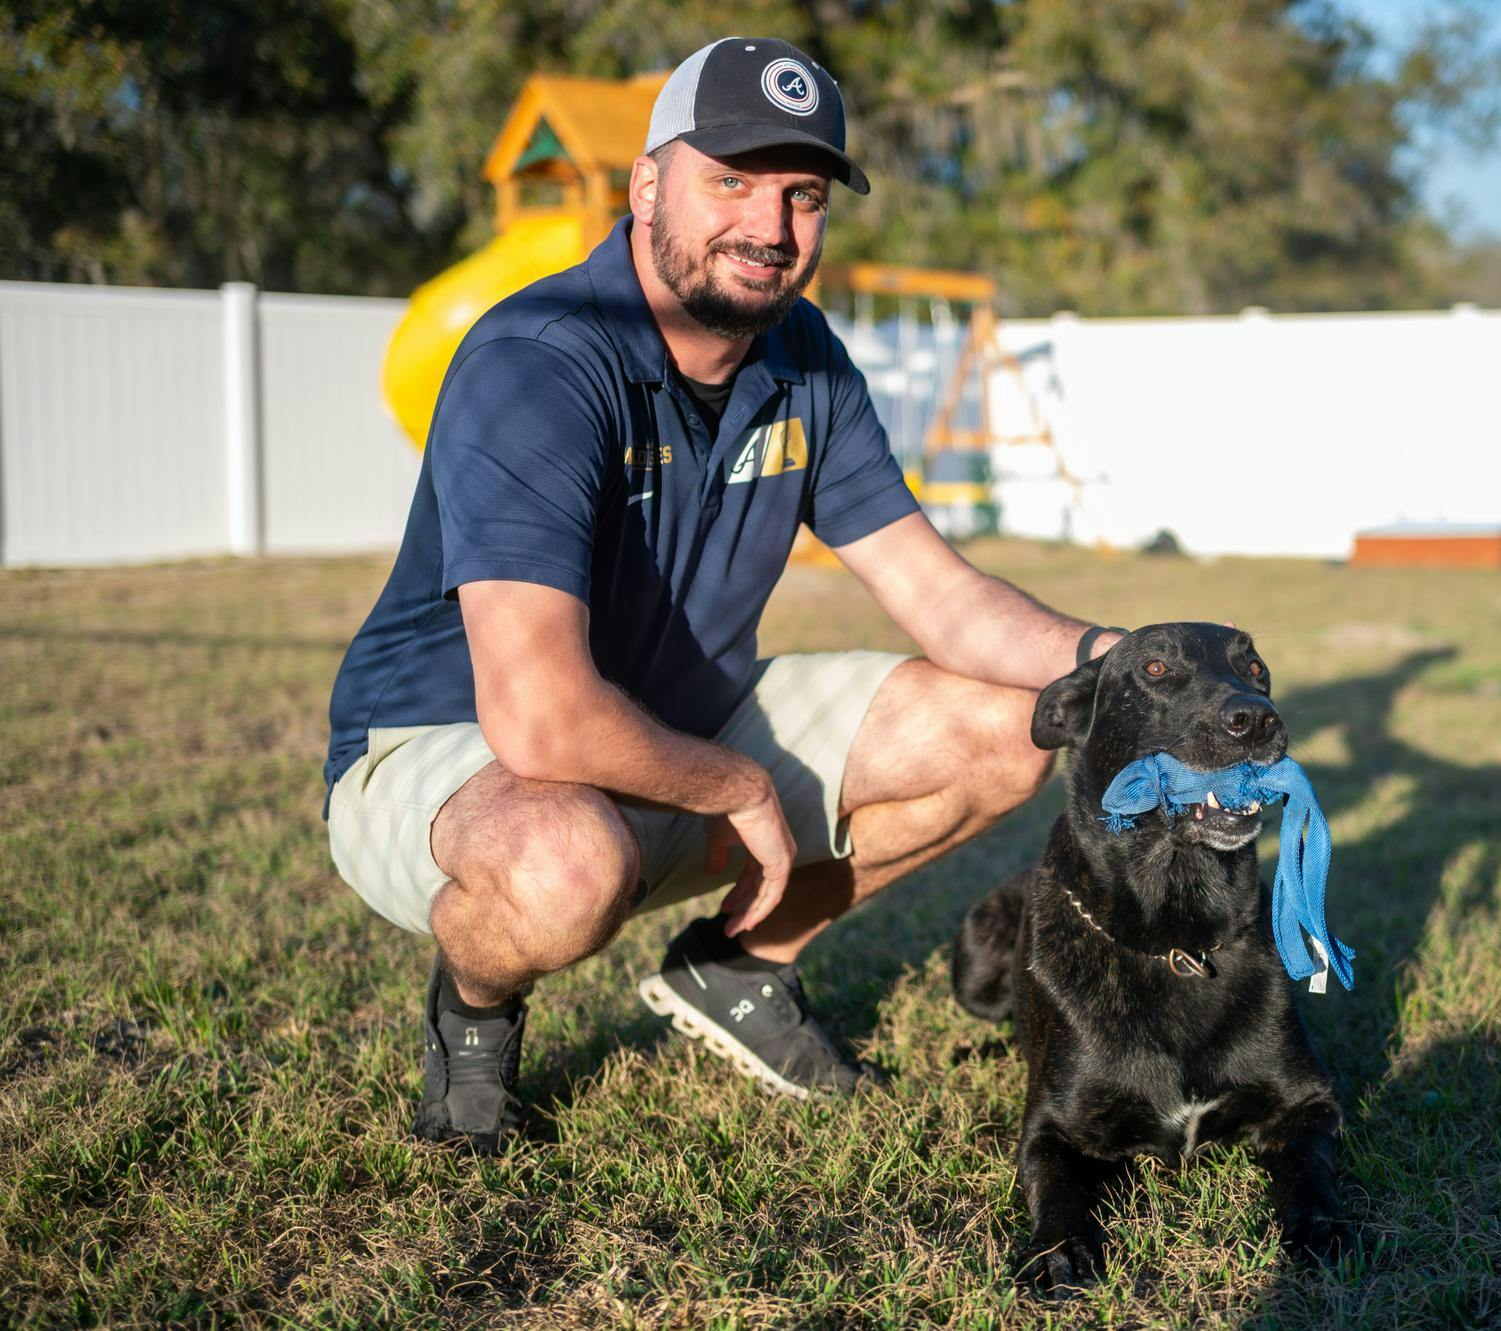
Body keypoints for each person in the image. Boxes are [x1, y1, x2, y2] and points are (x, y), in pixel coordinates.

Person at [322, 36, 1124, 1152]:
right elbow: (539, 715)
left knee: (1010, 727)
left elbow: (941, 598)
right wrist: (736, 784)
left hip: (676, 716)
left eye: (802, 195)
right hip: (448, 743)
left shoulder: (801, 356)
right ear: (648, 183)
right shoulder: (538, 358)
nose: (771, 227)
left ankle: (738, 966)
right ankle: (474, 1011)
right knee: (565, 864)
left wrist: (1129, 664)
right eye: (731, 181)